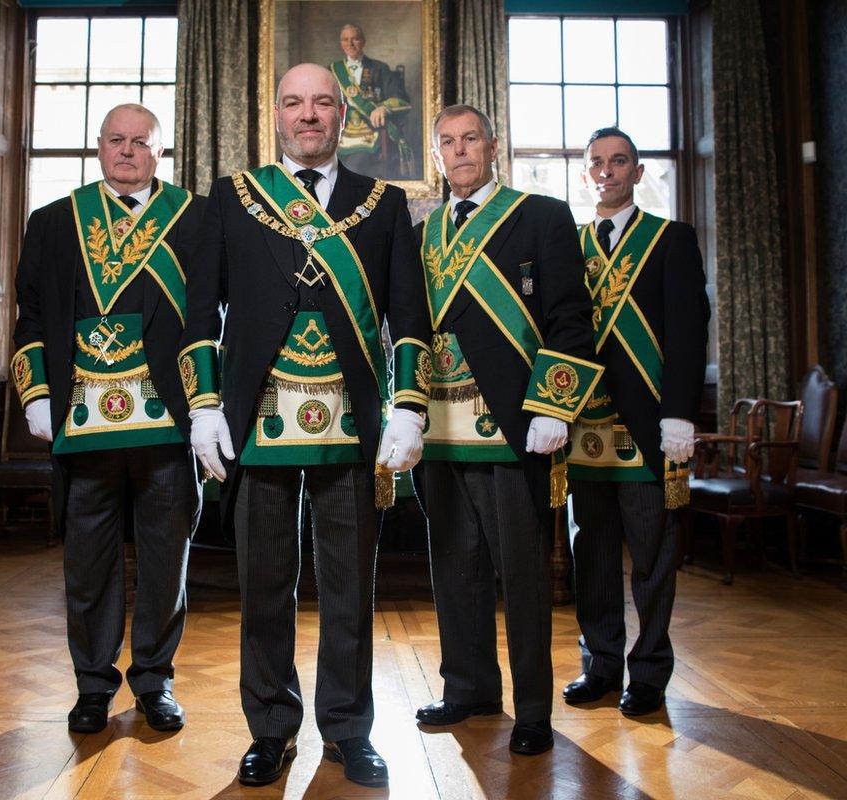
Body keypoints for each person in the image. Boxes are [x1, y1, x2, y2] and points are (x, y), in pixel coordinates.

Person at [179, 63, 431, 787]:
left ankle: (349, 731)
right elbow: (203, 311)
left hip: (351, 424)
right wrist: (202, 407)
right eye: (294, 102)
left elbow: (406, 315)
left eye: (323, 102)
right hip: (255, 420)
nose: (308, 115)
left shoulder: (382, 203)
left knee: (352, 585)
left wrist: (408, 405)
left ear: (343, 112)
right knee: (263, 583)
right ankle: (270, 728)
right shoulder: (233, 197)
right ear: (277, 113)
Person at [11, 103, 204, 735]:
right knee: (87, 561)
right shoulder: (52, 223)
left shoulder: (195, 219)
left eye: (140, 142)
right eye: (115, 140)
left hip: (169, 423)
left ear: (160, 153)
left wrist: (212, 406)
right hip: (83, 421)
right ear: (99, 147)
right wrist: (36, 394)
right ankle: (92, 685)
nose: (127, 151)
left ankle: (154, 682)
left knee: (164, 559)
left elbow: (217, 318)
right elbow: (32, 316)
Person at [414, 104, 602, 755]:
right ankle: (468, 688)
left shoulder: (542, 216)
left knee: (523, 577)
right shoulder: (425, 231)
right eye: (448, 143)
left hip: (515, 429)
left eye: (471, 139)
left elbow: (573, 319)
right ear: (436, 156)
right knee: (454, 569)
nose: (460, 151)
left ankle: (532, 710)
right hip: (439, 430)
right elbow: (407, 331)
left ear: (493, 147)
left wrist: (555, 406)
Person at [563, 127, 709, 716]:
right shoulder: (569, 244)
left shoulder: (670, 240)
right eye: (596, 162)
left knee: (651, 558)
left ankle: (647, 672)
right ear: (585, 173)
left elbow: (688, 331)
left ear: (637, 172)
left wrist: (679, 414)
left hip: (649, 426)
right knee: (591, 557)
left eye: (618, 161)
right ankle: (599, 665)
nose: (607, 170)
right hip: (584, 426)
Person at [330, 23, 413, 179]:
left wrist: (383, 108)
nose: (350, 44)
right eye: (346, 39)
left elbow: (401, 99)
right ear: (341, 43)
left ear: (363, 41)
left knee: (351, 169)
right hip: (340, 135)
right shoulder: (332, 71)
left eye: (355, 39)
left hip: (371, 133)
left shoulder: (379, 68)